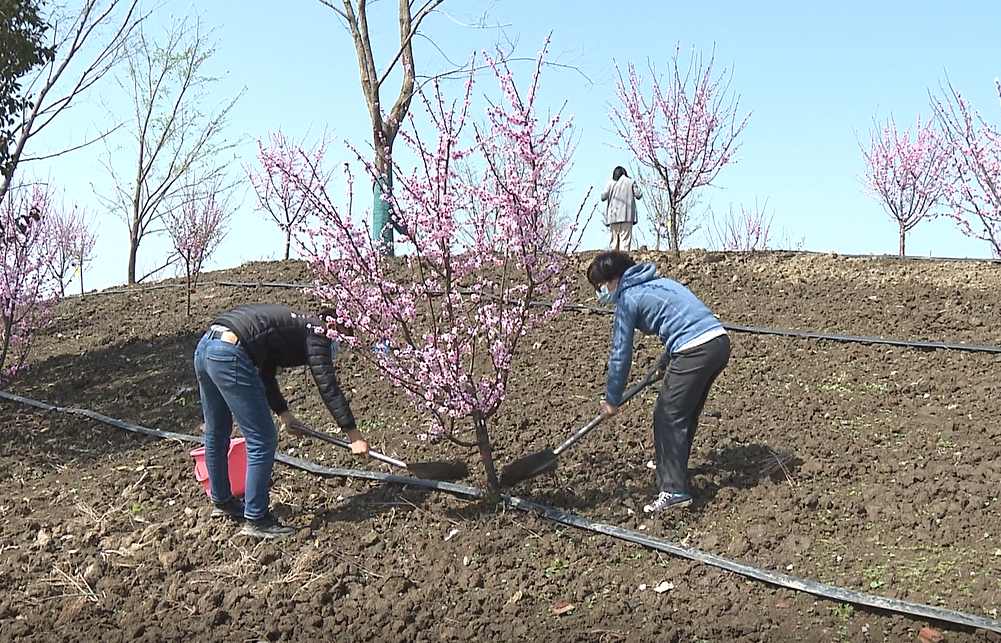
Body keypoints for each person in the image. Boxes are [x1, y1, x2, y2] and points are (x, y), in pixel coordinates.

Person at [193, 304, 369, 538]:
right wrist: (354, 436)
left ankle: (222, 501)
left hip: (207, 347)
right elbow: (327, 385)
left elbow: (265, 373)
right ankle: (256, 518)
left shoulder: (295, 324)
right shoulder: (318, 332)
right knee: (262, 439)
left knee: (216, 433)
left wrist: (285, 415)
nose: (338, 346)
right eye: (342, 338)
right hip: (229, 354)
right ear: (333, 326)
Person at [587, 251, 730, 513]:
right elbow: (683, 319)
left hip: (694, 349)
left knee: (667, 415)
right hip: (717, 342)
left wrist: (612, 399)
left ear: (615, 279)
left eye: (600, 286)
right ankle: (673, 468)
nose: (600, 293)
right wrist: (665, 362)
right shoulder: (661, 283)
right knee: (683, 413)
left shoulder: (628, 299)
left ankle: (674, 490)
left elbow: (620, 354)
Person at [599, 166, 643, 251]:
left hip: (613, 216)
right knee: (625, 242)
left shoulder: (610, 183)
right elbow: (639, 195)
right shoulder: (631, 182)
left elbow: (603, 197)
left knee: (614, 243)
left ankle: (613, 261)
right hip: (627, 215)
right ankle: (623, 261)